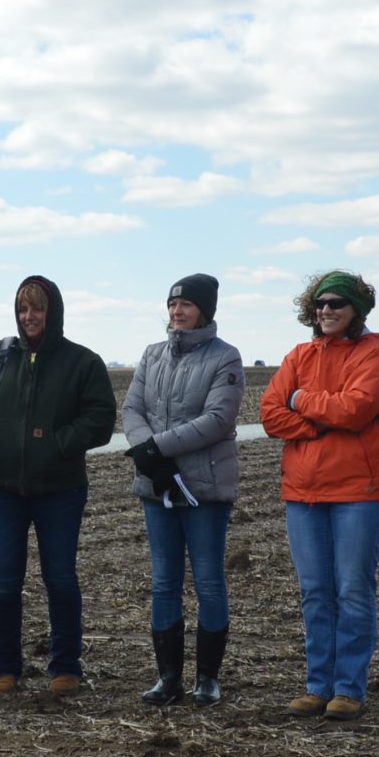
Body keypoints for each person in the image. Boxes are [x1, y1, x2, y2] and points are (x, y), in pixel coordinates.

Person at [0, 275, 117, 695]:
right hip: (0, 489)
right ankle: (4, 668)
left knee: (61, 579)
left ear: (53, 312)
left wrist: (60, 443)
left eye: (38, 308)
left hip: (60, 490)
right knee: (4, 582)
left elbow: (100, 418)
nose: (30, 316)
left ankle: (66, 667)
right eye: (24, 308)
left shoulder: (83, 362)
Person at [261, 271, 379, 720]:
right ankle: (318, 685)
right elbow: (269, 414)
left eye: (336, 303)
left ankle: (348, 689)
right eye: (320, 303)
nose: (326, 310)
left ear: (356, 309)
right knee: (316, 592)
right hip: (302, 493)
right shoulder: (299, 355)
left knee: (353, 591)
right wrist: (320, 419)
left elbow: (356, 410)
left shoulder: (373, 354)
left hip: (359, 492)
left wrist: (301, 400)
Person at [121, 274, 243, 705]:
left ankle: (207, 677)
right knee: (163, 583)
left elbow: (218, 419)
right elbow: (132, 407)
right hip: (157, 488)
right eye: (173, 304)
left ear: (205, 310)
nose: (177, 311)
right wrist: (147, 453)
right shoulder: (152, 355)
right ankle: (168, 676)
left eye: (187, 305)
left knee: (209, 583)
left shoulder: (225, 357)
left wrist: (156, 447)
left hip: (203, 490)